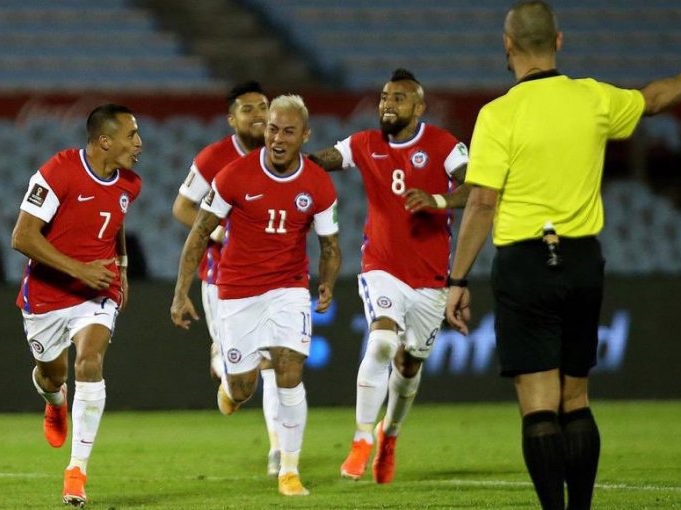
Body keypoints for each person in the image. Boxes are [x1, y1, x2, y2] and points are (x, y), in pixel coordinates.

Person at [443, 3, 681, 509]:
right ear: (558, 42)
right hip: (583, 261)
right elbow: (652, 100)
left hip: (524, 263)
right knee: (576, 399)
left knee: (538, 406)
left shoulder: (497, 115)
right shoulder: (592, 97)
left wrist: (456, 279)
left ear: (508, 45)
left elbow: (481, 201)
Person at [171, 95, 340, 497]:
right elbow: (198, 232)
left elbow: (330, 245)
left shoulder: (318, 183)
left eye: (288, 131)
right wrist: (181, 292)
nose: (278, 138)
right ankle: (230, 390)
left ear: (305, 136)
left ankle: (289, 469)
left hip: (289, 288)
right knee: (246, 386)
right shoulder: (233, 175)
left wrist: (328, 282)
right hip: (238, 291)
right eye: (272, 129)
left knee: (289, 369)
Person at [309, 68, 470, 484]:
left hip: (431, 278)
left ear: (418, 107)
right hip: (381, 266)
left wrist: (438, 199)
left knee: (410, 363)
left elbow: (477, 187)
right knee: (381, 340)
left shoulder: (443, 145)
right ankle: (362, 439)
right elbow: (325, 160)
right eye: (383, 97)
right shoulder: (365, 144)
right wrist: (295, 160)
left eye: (397, 98)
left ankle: (390, 435)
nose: (387, 104)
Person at [11, 104, 143, 507]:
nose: (138, 143)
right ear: (105, 140)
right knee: (52, 375)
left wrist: (118, 267)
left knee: (90, 361)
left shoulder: (131, 184)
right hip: (48, 294)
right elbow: (22, 237)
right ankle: (55, 401)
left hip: (97, 292)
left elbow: (114, 222)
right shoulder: (58, 172)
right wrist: (78, 270)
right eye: (131, 135)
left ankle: (76, 471)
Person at [171, 81, 284, 476]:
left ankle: (278, 452)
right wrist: (218, 232)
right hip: (223, 279)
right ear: (231, 118)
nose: (257, 114)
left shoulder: (282, 156)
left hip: (272, 277)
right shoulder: (214, 157)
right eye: (247, 108)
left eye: (263, 106)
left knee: (271, 361)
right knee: (240, 383)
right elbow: (182, 207)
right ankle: (224, 367)